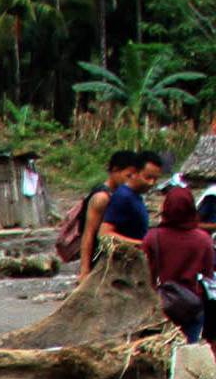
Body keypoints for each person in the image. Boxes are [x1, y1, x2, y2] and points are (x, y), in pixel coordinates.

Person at [143, 186, 215, 343]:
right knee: (188, 348)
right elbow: (208, 273)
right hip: (192, 304)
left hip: (160, 304)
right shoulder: (203, 240)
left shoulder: (152, 237)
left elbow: (147, 273)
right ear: (191, 208)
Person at [79, 147, 163, 273]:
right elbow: (96, 234)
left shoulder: (135, 196)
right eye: (148, 177)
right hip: (111, 266)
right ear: (134, 173)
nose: (151, 183)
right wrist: (84, 270)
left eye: (155, 180)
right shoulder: (115, 197)